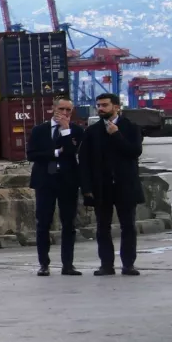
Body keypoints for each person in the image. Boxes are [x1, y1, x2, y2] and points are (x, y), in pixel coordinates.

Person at [78, 92, 144, 276]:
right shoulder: (92, 131)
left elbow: (134, 152)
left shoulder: (131, 128)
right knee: (102, 227)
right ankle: (106, 265)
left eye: (104, 105)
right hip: (102, 187)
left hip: (125, 186)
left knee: (128, 226)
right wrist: (86, 188)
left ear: (116, 107)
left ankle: (128, 264)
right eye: (98, 105)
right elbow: (84, 163)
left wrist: (116, 135)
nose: (100, 108)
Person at [27, 96, 84, 276]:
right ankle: (44, 263)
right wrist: (55, 152)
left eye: (69, 110)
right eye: (62, 109)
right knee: (43, 223)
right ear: (53, 109)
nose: (65, 113)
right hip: (45, 181)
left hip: (67, 181)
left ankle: (68, 264)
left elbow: (72, 152)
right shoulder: (39, 130)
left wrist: (66, 131)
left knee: (69, 224)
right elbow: (32, 154)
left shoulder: (76, 130)